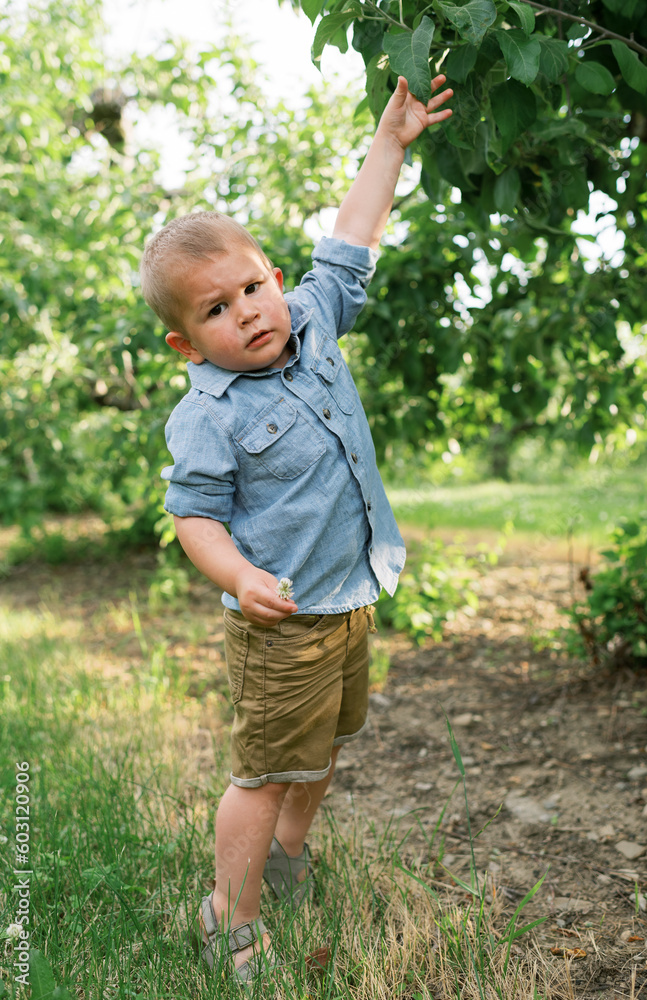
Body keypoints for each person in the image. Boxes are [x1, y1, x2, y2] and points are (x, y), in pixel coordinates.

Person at [140, 73, 453, 986]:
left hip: (349, 599)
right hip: (281, 624)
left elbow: (351, 240)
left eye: (251, 286)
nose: (246, 311)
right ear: (186, 343)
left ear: (276, 279)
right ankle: (228, 918)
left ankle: (286, 855)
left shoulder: (313, 320)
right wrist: (239, 577)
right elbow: (195, 516)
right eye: (215, 309)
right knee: (267, 770)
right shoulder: (209, 414)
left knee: (323, 752)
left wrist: (389, 144)